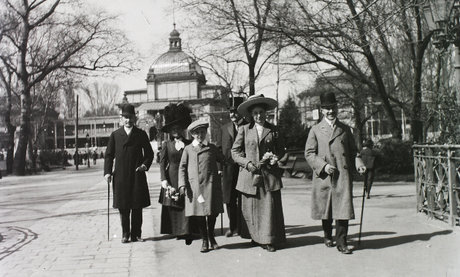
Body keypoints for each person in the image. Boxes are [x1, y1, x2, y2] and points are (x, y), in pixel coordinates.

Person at [304, 91, 366, 255]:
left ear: (337, 107)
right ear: (322, 110)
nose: (330, 111)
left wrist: (358, 162)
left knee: (343, 207)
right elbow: (309, 153)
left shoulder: (345, 129)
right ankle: (327, 235)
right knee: (327, 208)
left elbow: (353, 151)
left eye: (333, 108)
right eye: (327, 109)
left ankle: (342, 242)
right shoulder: (315, 130)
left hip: (342, 174)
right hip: (324, 175)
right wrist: (322, 166)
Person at [231, 94, 286, 252]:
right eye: (255, 113)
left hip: (269, 176)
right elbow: (235, 152)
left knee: (268, 209)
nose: (259, 116)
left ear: (266, 112)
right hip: (250, 176)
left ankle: (268, 239)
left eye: (261, 112)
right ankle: (255, 237)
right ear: (251, 115)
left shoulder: (273, 130)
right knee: (252, 209)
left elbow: (282, 151)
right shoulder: (244, 130)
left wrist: (277, 159)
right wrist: (247, 164)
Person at [104, 104, 154, 243]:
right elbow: (109, 155)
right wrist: (107, 172)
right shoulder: (115, 135)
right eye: (125, 117)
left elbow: (149, 154)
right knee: (123, 206)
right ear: (121, 118)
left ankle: (136, 234)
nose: (128, 120)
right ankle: (125, 234)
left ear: (134, 118)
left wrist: (144, 165)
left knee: (137, 206)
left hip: (137, 174)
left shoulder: (141, 134)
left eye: (130, 117)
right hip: (120, 176)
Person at [178, 119, 224, 253]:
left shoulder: (212, 147)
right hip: (195, 187)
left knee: (212, 214)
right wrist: (182, 184)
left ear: (206, 132)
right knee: (199, 215)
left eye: (202, 132)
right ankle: (204, 240)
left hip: (211, 186)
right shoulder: (188, 149)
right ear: (192, 134)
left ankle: (211, 237)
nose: (200, 135)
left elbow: (223, 159)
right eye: (197, 133)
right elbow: (182, 168)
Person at [158, 103, 195, 245]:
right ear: (170, 131)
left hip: (186, 175)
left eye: (178, 128)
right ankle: (176, 230)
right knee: (174, 202)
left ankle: (186, 230)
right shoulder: (167, 145)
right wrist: (163, 179)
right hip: (172, 175)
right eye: (173, 129)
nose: (176, 131)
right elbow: (162, 163)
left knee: (186, 202)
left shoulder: (189, 143)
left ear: (182, 129)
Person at [217, 96, 246, 237]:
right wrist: (218, 168)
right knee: (229, 199)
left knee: (243, 198)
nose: (233, 114)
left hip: (244, 169)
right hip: (228, 169)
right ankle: (233, 226)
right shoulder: (224, 128)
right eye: (230, 111)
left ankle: (244, 227)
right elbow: (218, 149)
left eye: (235, 111)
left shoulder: (248, 126)